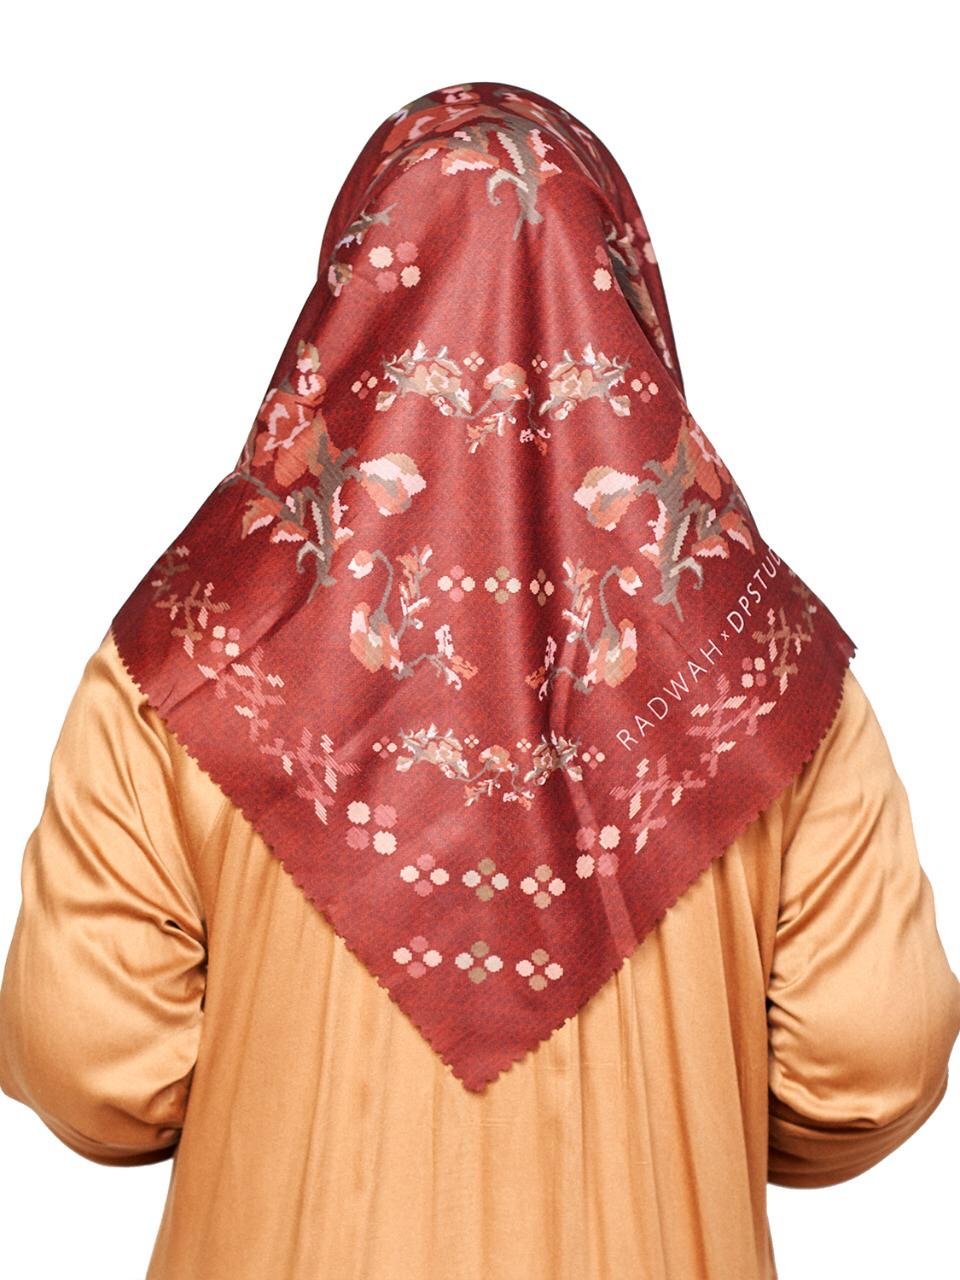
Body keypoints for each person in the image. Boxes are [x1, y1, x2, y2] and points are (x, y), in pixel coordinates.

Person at [1, 81, 958, 1280]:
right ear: (626, 304)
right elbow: (871, 1057)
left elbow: (93, 1063)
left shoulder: (182, 658)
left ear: (348, 304)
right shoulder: (772, 678)